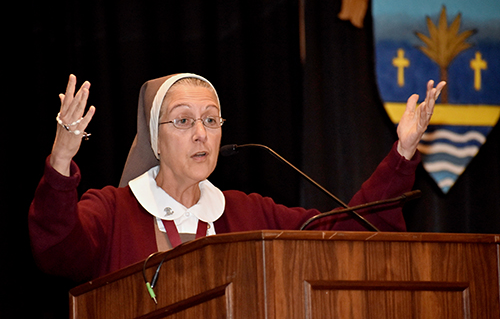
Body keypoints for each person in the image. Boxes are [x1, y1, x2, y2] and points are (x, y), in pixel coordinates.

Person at [29, 73, 446, 282]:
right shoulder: (114, 210)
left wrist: (402, 153)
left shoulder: (249, 213)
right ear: (155, 138)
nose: (200, 134)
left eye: (211, 120)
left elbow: (346, 234)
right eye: (183, 121)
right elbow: (59, 248)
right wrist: (62, 160)